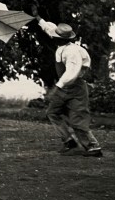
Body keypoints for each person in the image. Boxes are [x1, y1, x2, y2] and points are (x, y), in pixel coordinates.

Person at [37, 19, 103, 157]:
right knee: (52, 112)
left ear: (60, 39)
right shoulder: (61, 45)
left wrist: (57, 87)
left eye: (55, 37)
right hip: (65, 87)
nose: (52, 38)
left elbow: (71, 72)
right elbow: (50, 28)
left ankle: (93, 147)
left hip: (75, 87)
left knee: (77, 119)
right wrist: (38, 18)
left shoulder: (72, 51)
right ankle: (69, 141)